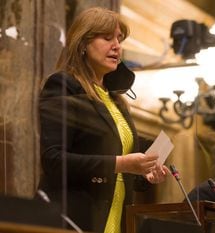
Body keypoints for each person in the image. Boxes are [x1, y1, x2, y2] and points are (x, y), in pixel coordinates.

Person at [37, 7, 169, 233]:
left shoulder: (117, 101)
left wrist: (144, 174)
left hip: (115, 221)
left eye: (119, 39)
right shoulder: (63, 86)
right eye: (107, 38)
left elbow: (119, 170)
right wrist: (122, 163)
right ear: (83, 44)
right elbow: (53, 160)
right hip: (72, 219)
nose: (117, 46)